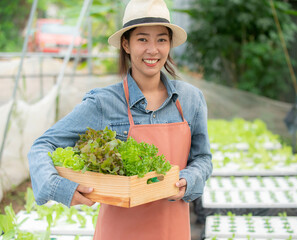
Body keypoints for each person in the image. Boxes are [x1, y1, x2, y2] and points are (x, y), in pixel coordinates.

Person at [28, 0, 212, 239]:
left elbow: (202, 158)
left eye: (161, 40)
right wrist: (61, 188)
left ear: (169, 45)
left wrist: (189, 179)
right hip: (119, 231)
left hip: (173, 229)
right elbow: (42, 146)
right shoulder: (104, 103)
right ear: (126, 44)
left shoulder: (190, 99)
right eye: (142, 39)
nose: (153, 50)